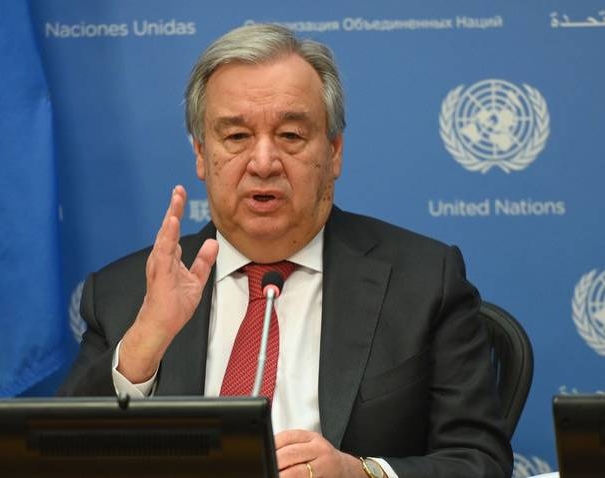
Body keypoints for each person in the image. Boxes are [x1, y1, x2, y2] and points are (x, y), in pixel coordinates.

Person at [59, 23, 512, 478]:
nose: (262, 163)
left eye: (291, 136)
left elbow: (481, 462)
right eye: (235, 137)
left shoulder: (423, 281)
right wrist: (142, 348)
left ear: (333, 152)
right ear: (201, 154)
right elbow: (53, 460)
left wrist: (362, 474)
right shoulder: (124, 295)